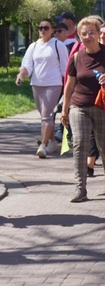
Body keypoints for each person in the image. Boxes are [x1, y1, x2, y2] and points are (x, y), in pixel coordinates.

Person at [60, 17, 105, 202]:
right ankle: (80, 189)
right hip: (79, 107)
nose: (88, 36)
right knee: (79, 145)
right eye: (83, 33)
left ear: (98, 34)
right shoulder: (77, 57)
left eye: (91, 32)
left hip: (102, 106)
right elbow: (69, 86)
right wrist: (64, 110)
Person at [17, 18, 68, 158]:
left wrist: (69, 87)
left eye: (46, 28)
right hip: (37, 84)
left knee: (46, 116)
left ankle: (43, 146)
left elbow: (66, 68)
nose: (43, 30)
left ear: (52, 30)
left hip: (54, 84)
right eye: (40, 28)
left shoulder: (58, 45)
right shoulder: (33, 46)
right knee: (46, 116)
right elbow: (27, 65)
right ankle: (52, 141)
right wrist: (21, 75)